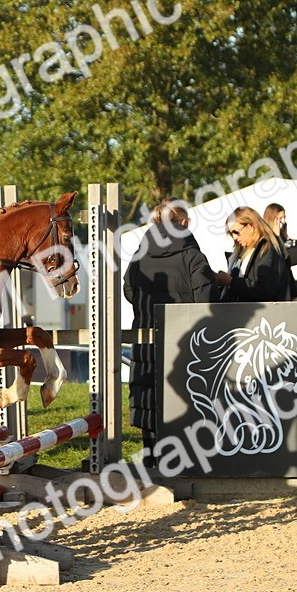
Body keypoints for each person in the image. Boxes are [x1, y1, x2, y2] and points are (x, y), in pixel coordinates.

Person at [124, 198, 215, 465]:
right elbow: (206, 299)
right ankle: (180, 458)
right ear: (184, 222)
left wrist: (147, 310)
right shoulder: (192, 256)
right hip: (183, 339)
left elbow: (129, 289)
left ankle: (150, 456)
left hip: (145, 334)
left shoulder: (140, 255)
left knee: (147, 392)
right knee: (183, 395)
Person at [215, 206, 292, 302]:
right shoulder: (241, 253)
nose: (234, 237)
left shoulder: (267, 250)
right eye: (231, 234)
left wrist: (231, 281)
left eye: (236, 232)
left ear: (251, 227)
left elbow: (264, 289)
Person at [263, 203, 297, 300]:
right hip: (275, 292)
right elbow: (280, 257)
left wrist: (285, 236)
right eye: (280, 218)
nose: (283, 222)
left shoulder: (282, 239)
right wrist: (276, 237)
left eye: (284, 217)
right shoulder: (265, 240)